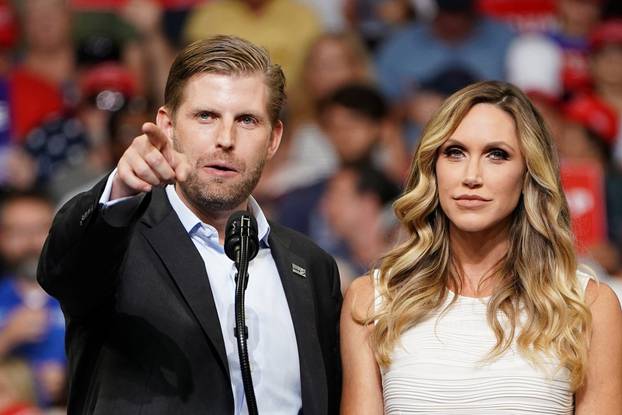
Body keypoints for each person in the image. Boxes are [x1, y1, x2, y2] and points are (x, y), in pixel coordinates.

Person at [37, 35, 342, 414]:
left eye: (247, 120)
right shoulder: (118, 237)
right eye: (205, 116)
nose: (225, 139)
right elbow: (60, 269)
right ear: (167, 125)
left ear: (273, 138)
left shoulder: (312, 268)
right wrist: (120, 188)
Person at [340, 80, 622, 413]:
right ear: (433, 167)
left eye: (497, 155)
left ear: (528, 173)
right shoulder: (371, 301)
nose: (471, 175)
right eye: (454, 152)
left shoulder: (587, 305)